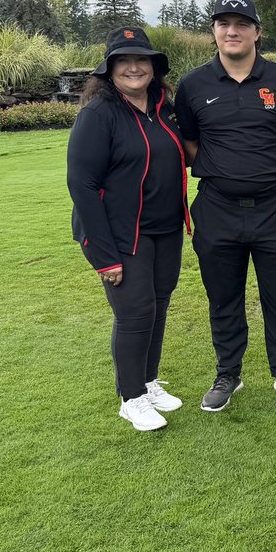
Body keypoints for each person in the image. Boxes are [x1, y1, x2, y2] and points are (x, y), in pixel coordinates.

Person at [174, 0, 276, 411]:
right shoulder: (194, 84)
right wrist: (226, 173)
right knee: (224, 297)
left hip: (275, 208)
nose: (231, 31)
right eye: (223, 23)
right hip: (217, 209)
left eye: (241, 23)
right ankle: (227, 374)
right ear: (213, 31)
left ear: (257, 31)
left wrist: (270, 177)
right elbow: (190, 144)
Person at [67, 26, 191, 432]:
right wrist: (103, 255)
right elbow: (81, 185)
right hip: (121, 235)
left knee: (157, 306)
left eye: (143, 61)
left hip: (165, 229)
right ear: (109, 70)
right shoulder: (98, 114)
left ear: (154, 68)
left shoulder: (164, 108)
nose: (134, 68)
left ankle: (149, 383)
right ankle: (131, 397)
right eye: (124, 61)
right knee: (134, 313)